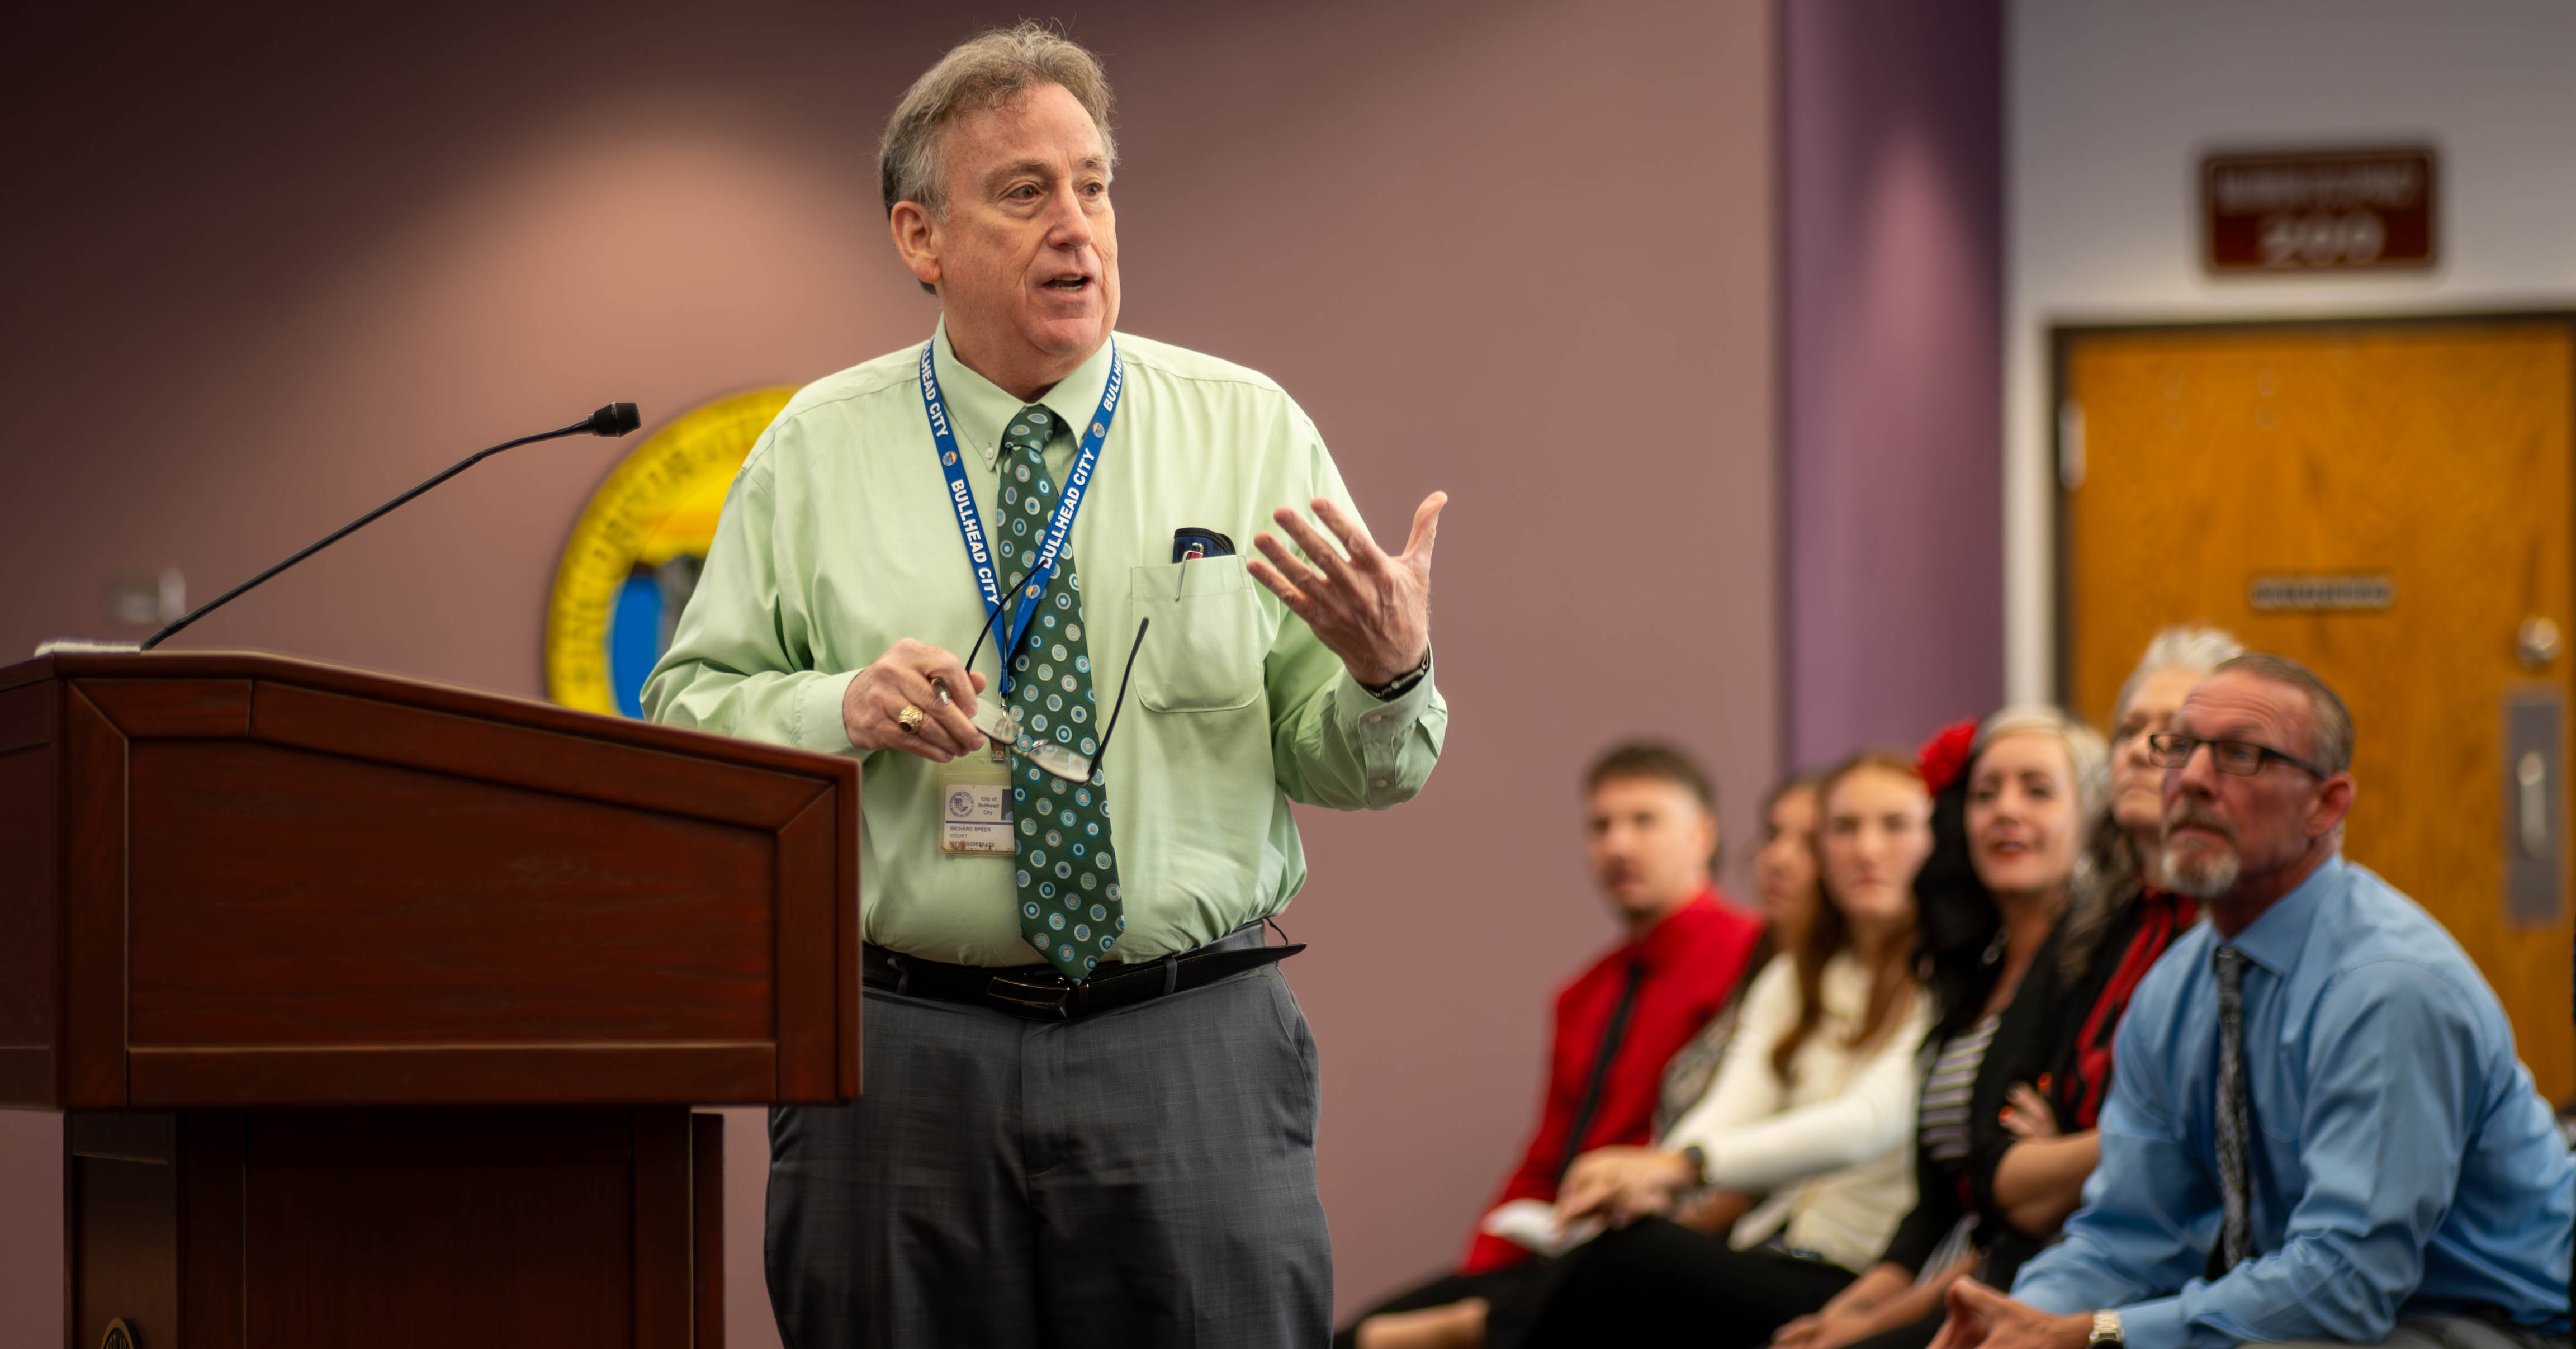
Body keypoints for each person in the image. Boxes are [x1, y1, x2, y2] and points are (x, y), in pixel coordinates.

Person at [641, 24, 1448, 1347]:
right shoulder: (813, 450)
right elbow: (682, 718)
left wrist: (1387, 669)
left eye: (1095, 184)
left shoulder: (1246, 428)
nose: (1076, 224)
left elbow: (1360, 763)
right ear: (921, 237)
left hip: (1188, 1042)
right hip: (896, 1050)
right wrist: (832, 706)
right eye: (1025, 191)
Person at [1931, 653, 2575, 1349]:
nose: (2192, 780)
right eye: (2178, 748)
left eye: (2241, 754)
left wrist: (2092, 1333)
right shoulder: (2176, 989)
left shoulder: (2386, 986)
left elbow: (2344, 1284)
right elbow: (2128, 1236)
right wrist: (2019, 1321)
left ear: (2326, 804)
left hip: (2502, 1324)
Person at [1786, 639, 2233, 1349]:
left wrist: (2095, 1145)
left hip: (2163, 1288)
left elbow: (2185, 1155)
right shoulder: (2098, 935)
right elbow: (1994, 1173)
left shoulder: (2229, 934)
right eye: (2129, 731)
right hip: (2042, 1268)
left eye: (2174, 732)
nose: (2146, 750)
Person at [1488, 747, 1944, 1348]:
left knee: (1627, 1262)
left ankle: (1470, 1331)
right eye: (1844, 828)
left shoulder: (1945, 976)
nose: (1865, 850)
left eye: (1893, 826)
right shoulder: (1795, 975)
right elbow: (1732, 1105)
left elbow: (1866, 1124)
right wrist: (1646, 1178)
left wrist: (1678, 1166)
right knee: (1626, 1247)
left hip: (1859, 1268)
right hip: (1769, 1246)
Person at [1339, 745, 1767, 1349]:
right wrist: (1484, 1271)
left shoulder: (1756, 960)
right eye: (1601, 826)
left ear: (1703, 834)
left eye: (1645, 820)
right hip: (1556, 1249)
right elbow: (1547, 1155)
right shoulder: (1583, 993)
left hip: (1654, 1247)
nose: (1618, 845)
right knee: (1349, 1338)